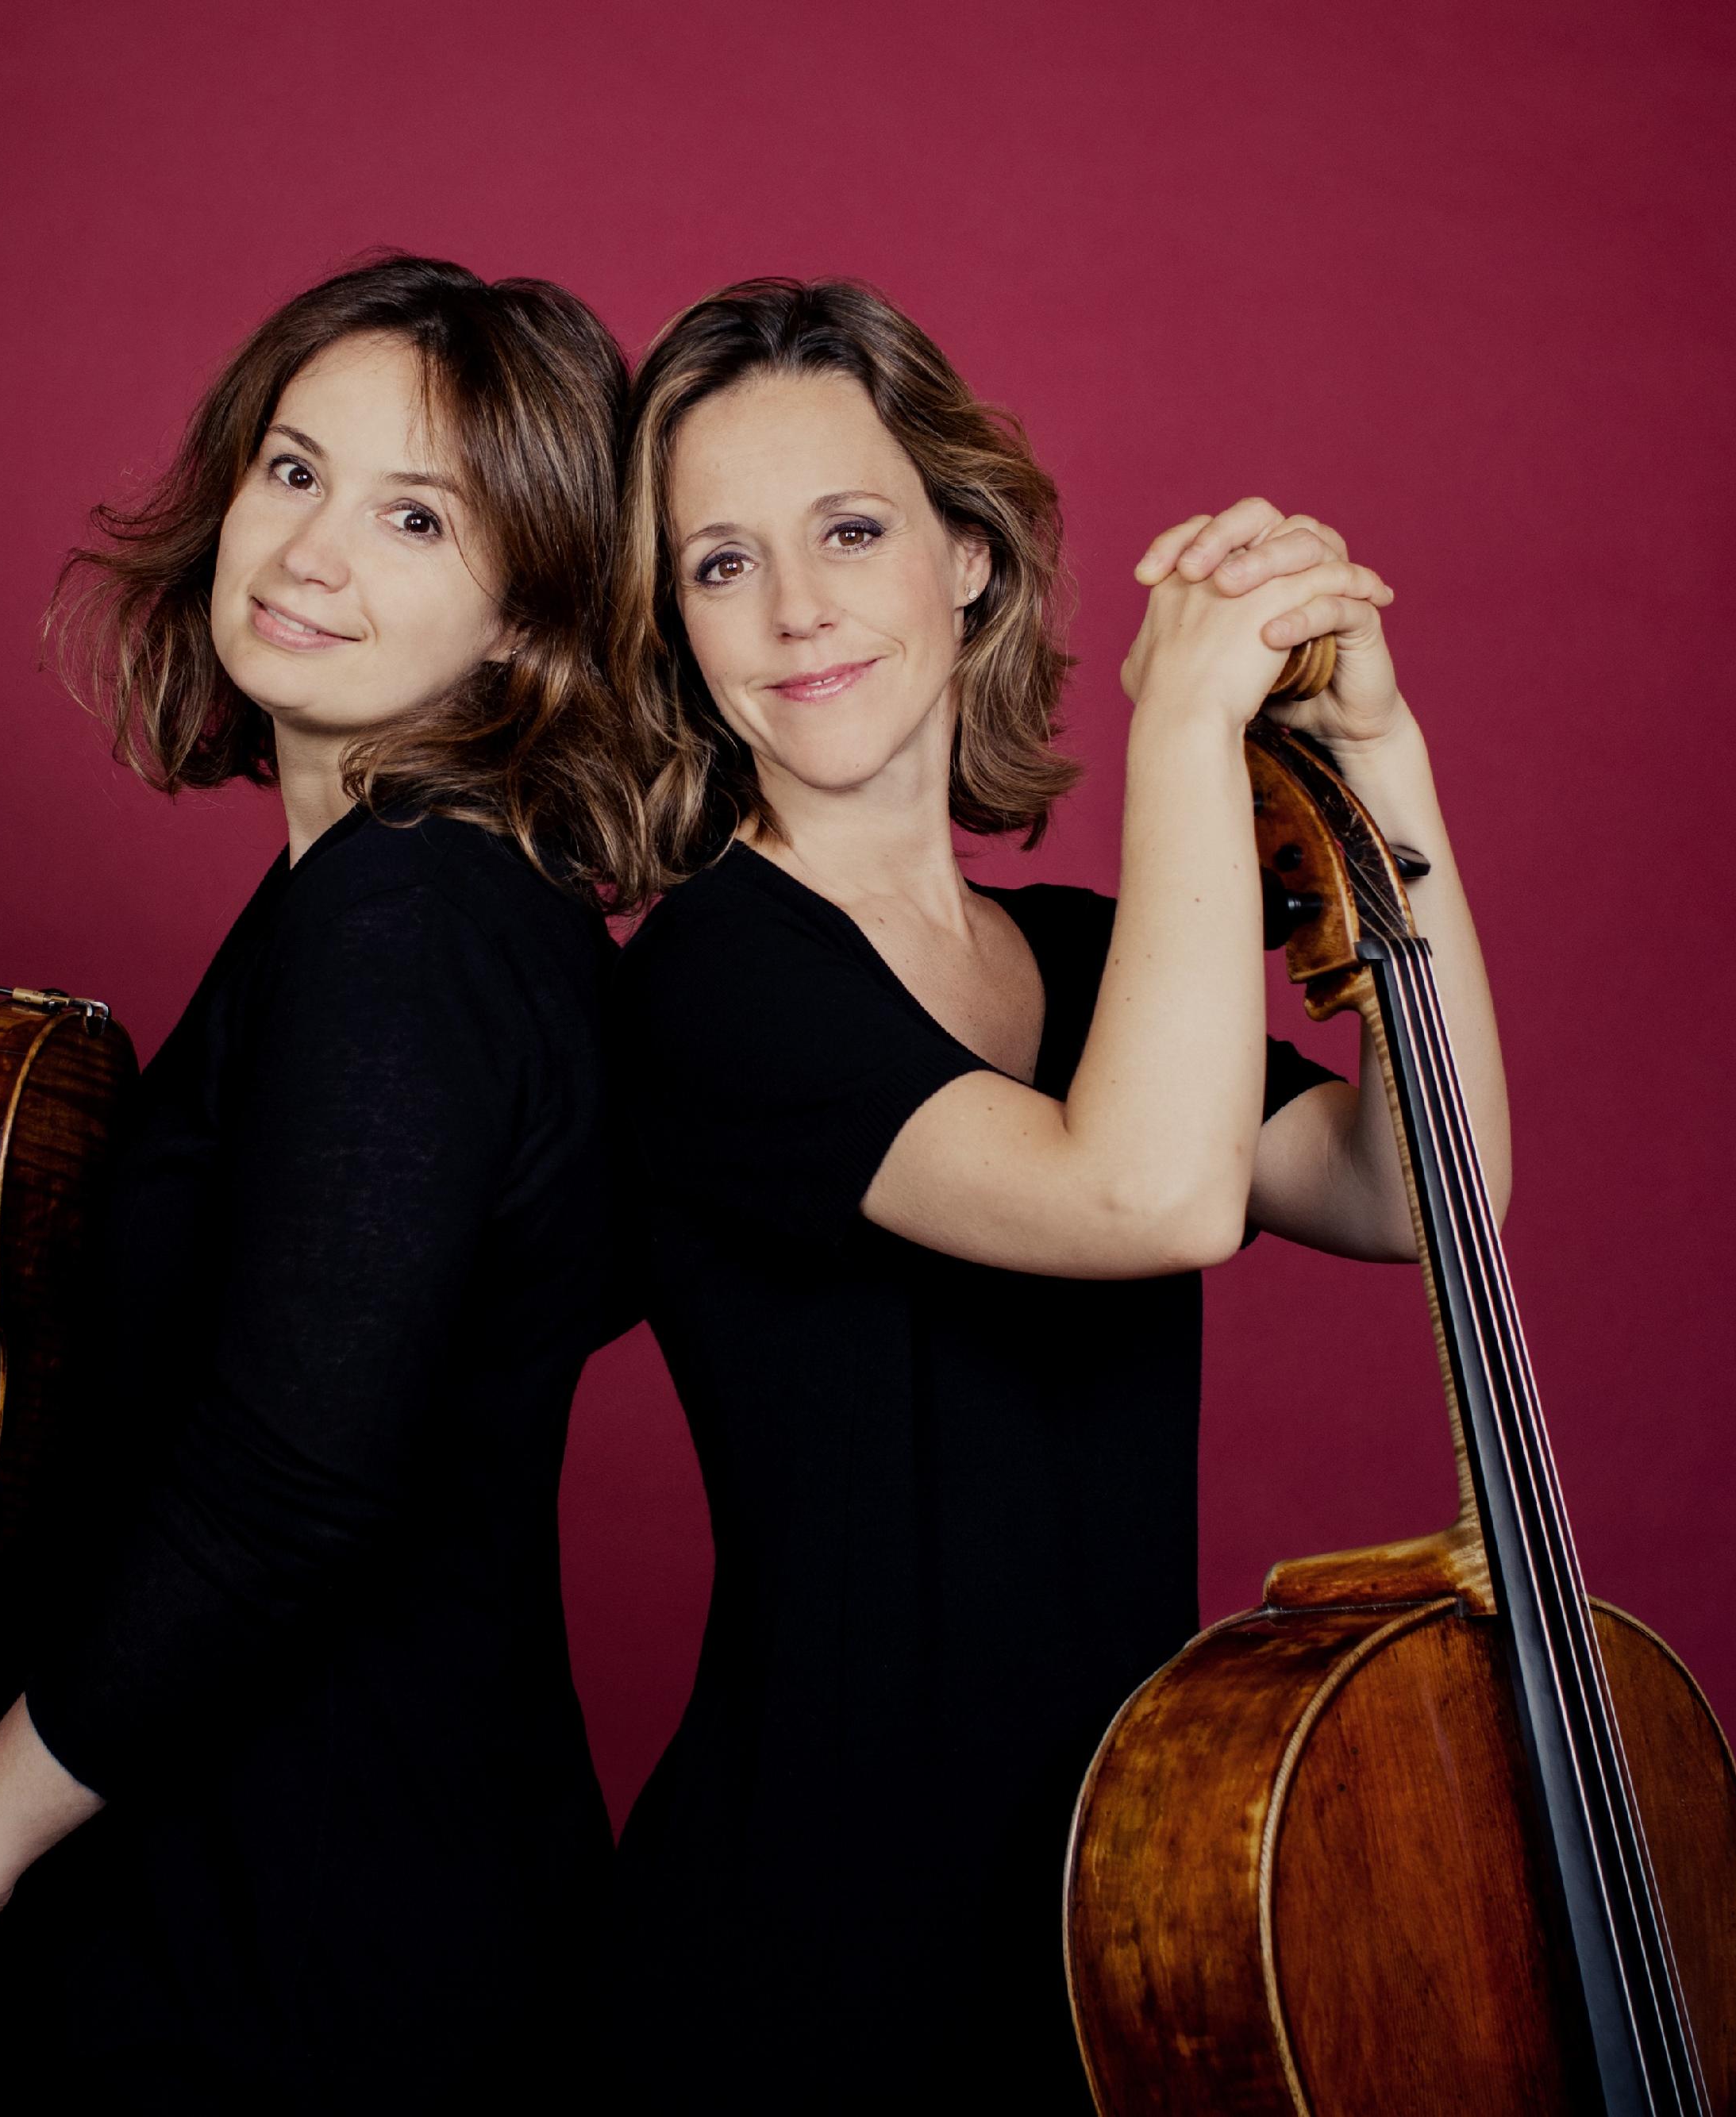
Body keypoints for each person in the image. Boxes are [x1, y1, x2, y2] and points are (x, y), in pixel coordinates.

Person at [595, 279, 1511, 2109]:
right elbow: (1141, 1199)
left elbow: (1421, 1188)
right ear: (670, 629)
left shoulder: (1094, 964)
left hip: (1127, 1904)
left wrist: (1379, 761)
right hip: (814, 1959)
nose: (791, 611)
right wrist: (1180, 735)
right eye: (716, 564)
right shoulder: (710, 978)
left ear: (966, 560)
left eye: (849, 530)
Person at [0, 253, 649, 2112]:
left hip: (294, 1939)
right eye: (293, 469)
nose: (309, 549)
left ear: (531, 602)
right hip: (359, 1884)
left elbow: (287, 1485)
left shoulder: (402, 915)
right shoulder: (447, 900)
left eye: (415, 511)